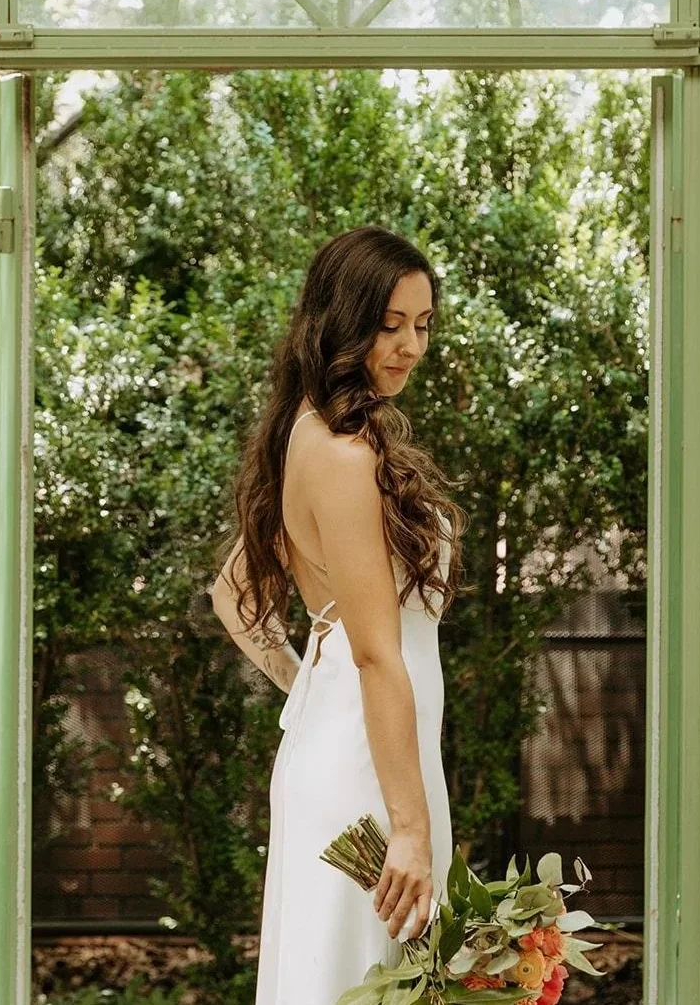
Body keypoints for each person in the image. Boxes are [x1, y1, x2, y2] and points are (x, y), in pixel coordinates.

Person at [210, 225, 467, 1004]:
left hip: (360, 743)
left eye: (422, 324)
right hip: (368, 768)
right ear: (341, 319)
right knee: (367, 978)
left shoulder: (314, 432)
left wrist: (306, 682)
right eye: (390, 324)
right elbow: (376, 655)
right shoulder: (344, 453)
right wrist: (412, 830)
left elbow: (230, 592)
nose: (410, 345)